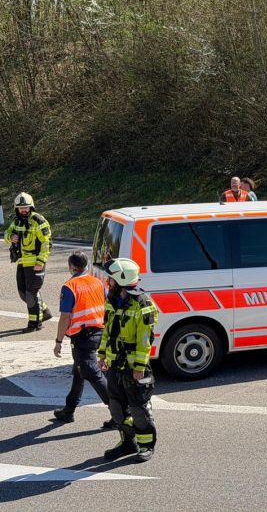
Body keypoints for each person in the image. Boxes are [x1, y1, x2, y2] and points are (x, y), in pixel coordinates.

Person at [99, 258, 159, 462]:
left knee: (138, 409)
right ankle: (128, 442)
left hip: (134, 367)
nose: (109, 282)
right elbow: (107, 331)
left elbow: (145, 339)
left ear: (122, 280)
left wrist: (140, 366)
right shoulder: (112, 301)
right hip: (115, 365)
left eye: (111, 279)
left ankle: (145, 445)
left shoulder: (144, 304)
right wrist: (102, 355)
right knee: (116, 408)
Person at [52, 251, 115, 429]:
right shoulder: (98, 282)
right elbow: (106, 304)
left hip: (82, 337)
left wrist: (58, 341)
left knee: (93, 374)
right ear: (86, 266)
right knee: (79, 372)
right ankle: (69, 410)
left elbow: (65, 317)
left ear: (71, 267)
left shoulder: (70, 286)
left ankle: (120, 414)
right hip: (99, 332)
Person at [4, 192, 53, 332]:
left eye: (26, 207)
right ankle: (45, 311)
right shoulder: (16, 221)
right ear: (16, 209)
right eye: (21, 208)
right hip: (22, 262)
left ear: (31, 207)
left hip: (36, 262)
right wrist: (10, 237)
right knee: (22, 293)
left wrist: (41, 261)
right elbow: (7, 233)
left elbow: (46, 242)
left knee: (31, 293)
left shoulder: (38, 220)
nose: (24, 210)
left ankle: (34, 324)